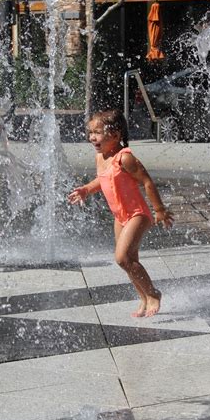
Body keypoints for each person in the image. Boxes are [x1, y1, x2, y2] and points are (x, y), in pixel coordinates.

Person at [68, 109, 174, 318]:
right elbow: (104, 179)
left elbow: (146, 182)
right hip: (120, 217)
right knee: (129, 261)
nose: (92, 137)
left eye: (97, 132)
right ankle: (143, 298)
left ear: (115, 135)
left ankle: (153, 294)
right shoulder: (101, 157)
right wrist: (87, 189)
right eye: (91, 132)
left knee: (122, 257)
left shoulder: (125, 158)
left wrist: (159, 210)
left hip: (138, 214)